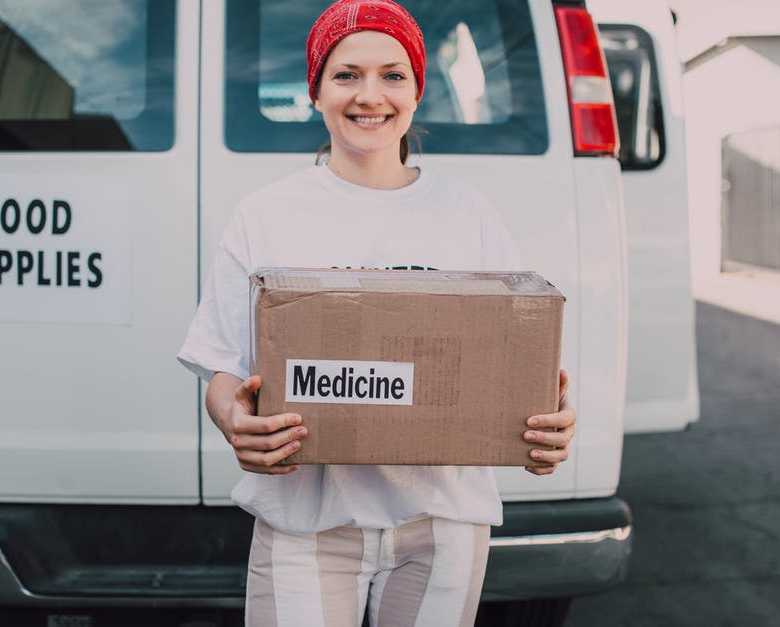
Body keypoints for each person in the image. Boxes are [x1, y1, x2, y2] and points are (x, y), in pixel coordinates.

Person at [177, 1, 578, 624]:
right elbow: (223, 367)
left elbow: (518, 362)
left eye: (393, 75)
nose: (371, 95)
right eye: (346, 75)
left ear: (418, 90)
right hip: (305, 523)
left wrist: (548, 426)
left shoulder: (468, 214)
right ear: (316, 91)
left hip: (443, 524)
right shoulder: (266, 214)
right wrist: (234, 421)